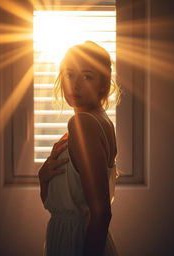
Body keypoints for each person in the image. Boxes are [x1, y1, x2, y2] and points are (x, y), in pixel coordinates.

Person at [38, 41, 120, 256]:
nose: (74, 85)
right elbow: (61, 203)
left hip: (76, 243)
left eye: (87, 77)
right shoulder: (101, 121)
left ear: (104, 83)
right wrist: (43, 176)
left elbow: (102, 213)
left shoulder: (83, 123)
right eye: (69, 74)